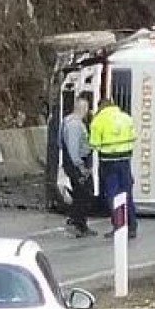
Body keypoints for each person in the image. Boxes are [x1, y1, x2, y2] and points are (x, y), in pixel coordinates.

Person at [89, 98, 138, 239]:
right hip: (125, 161)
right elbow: (133, 137)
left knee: (113, 195)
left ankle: (118, 226)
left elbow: (94, 144)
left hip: (108, 162)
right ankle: (132, 226)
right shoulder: (126, 118)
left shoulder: (98, 121)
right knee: (127, 193)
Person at [60, 98, 98, 238]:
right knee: (84, 194)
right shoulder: (75, 125)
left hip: (74, 164)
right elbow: (73, 148)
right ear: (84, 109)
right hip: (78, 164)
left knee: (80, 194)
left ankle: (78, 223)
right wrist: (80, 166)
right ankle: (78, 225)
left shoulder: (67, 122)